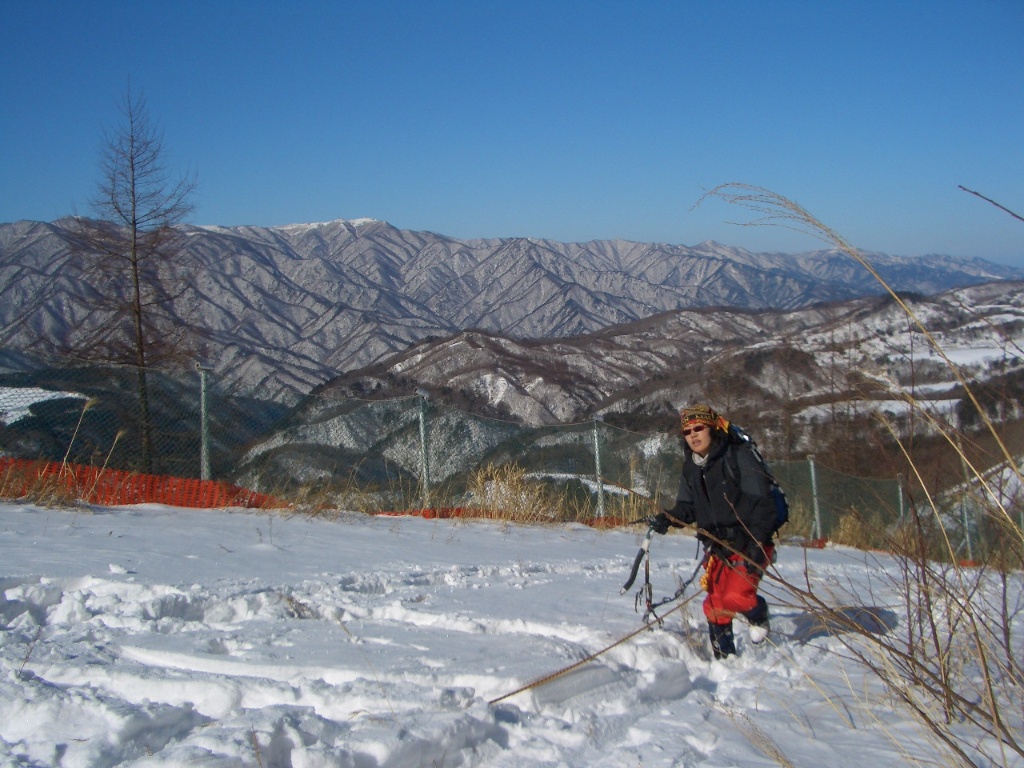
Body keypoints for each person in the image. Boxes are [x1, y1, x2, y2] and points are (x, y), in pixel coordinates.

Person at [650, 403, 776, 659]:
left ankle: (758, 613)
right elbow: (687, 506)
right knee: (716, 605)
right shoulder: (692, 467)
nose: (693, 435)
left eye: (699, 428)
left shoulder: (738, 457)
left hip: (750, 542)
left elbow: (763, 503)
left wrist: (757, 542)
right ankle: (724, 658)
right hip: (717, 547)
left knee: (737, 596)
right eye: (687, 432)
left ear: (712, 429)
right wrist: (668, 518)